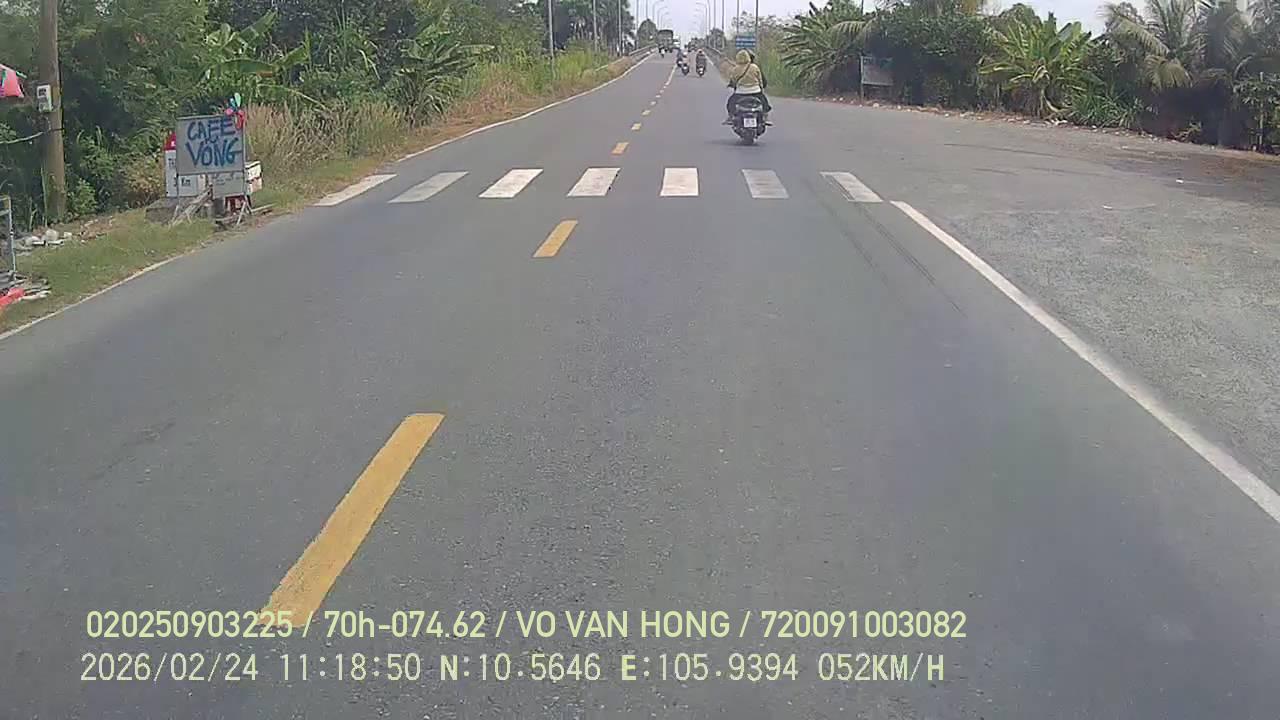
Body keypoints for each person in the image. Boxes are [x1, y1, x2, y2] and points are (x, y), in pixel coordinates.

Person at [725, 49, 771, 123]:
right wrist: (761, 88)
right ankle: (765, 117)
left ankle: (730, 117)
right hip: (755, 91)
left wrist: (734, 85)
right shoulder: (754, 67)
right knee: (764, 102)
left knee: (731, 103)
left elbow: (733, 80)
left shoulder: (736, 69)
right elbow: (760, 80)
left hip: (741, 92)